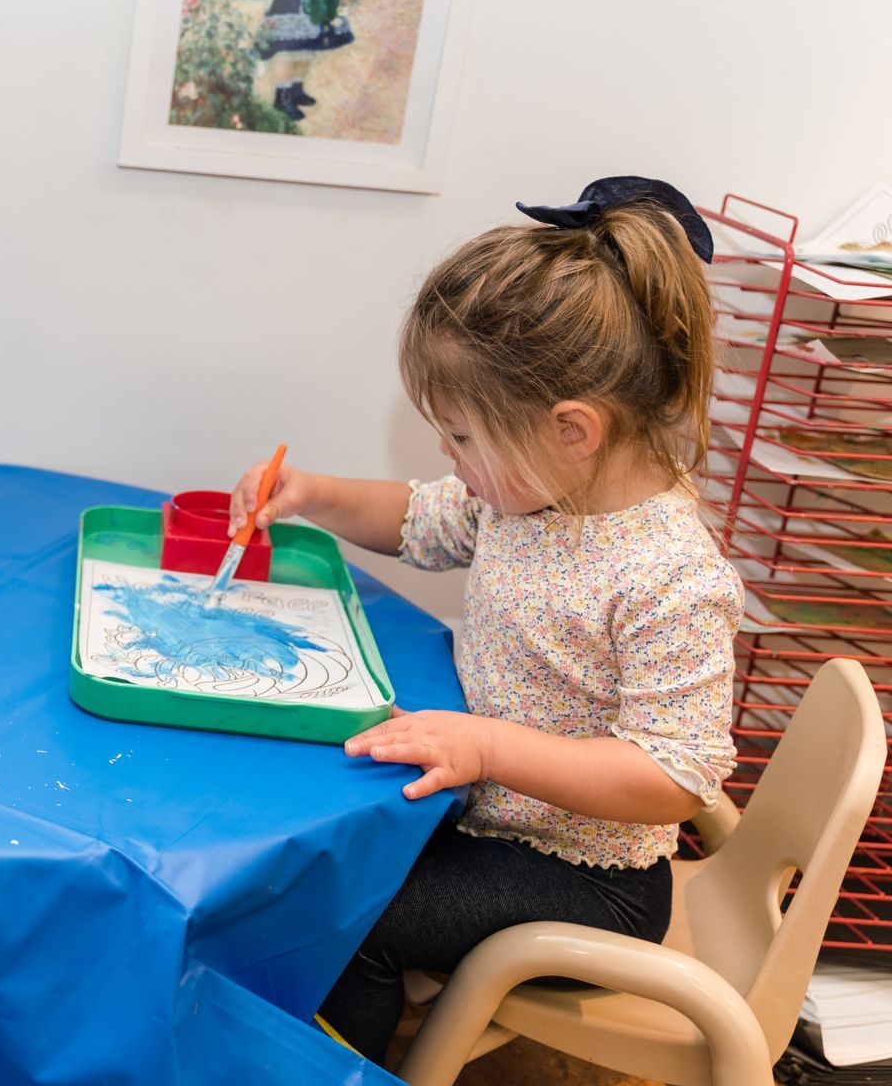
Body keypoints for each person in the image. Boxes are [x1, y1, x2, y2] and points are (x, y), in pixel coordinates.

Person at [227, 177, 741, 1064]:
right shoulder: (531, 498)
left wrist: (490, 748)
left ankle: (337, 1064)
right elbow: (413, 521)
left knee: (353, 915)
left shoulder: (672, 577)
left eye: (463, 439)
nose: (448, 459)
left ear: (571, 429)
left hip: (588, 882)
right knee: (324, 858)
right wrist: (310, 496)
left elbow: (672, 776)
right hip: (494, 824)